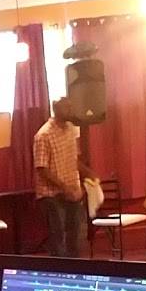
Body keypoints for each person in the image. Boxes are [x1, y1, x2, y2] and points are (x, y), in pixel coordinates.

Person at [33, 97, 96, 257]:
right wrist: (64, 187)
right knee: (58, 235)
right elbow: (42, 169)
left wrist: (88, 172)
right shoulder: (43, 135)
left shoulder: (71, 130)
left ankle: (74, 266)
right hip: (51, 195)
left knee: (76, 234)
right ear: (56, 109)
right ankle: (60, 268)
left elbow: (73, 159)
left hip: (72, 191)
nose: (70, 110)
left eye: (70, 107)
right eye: (66, 107)